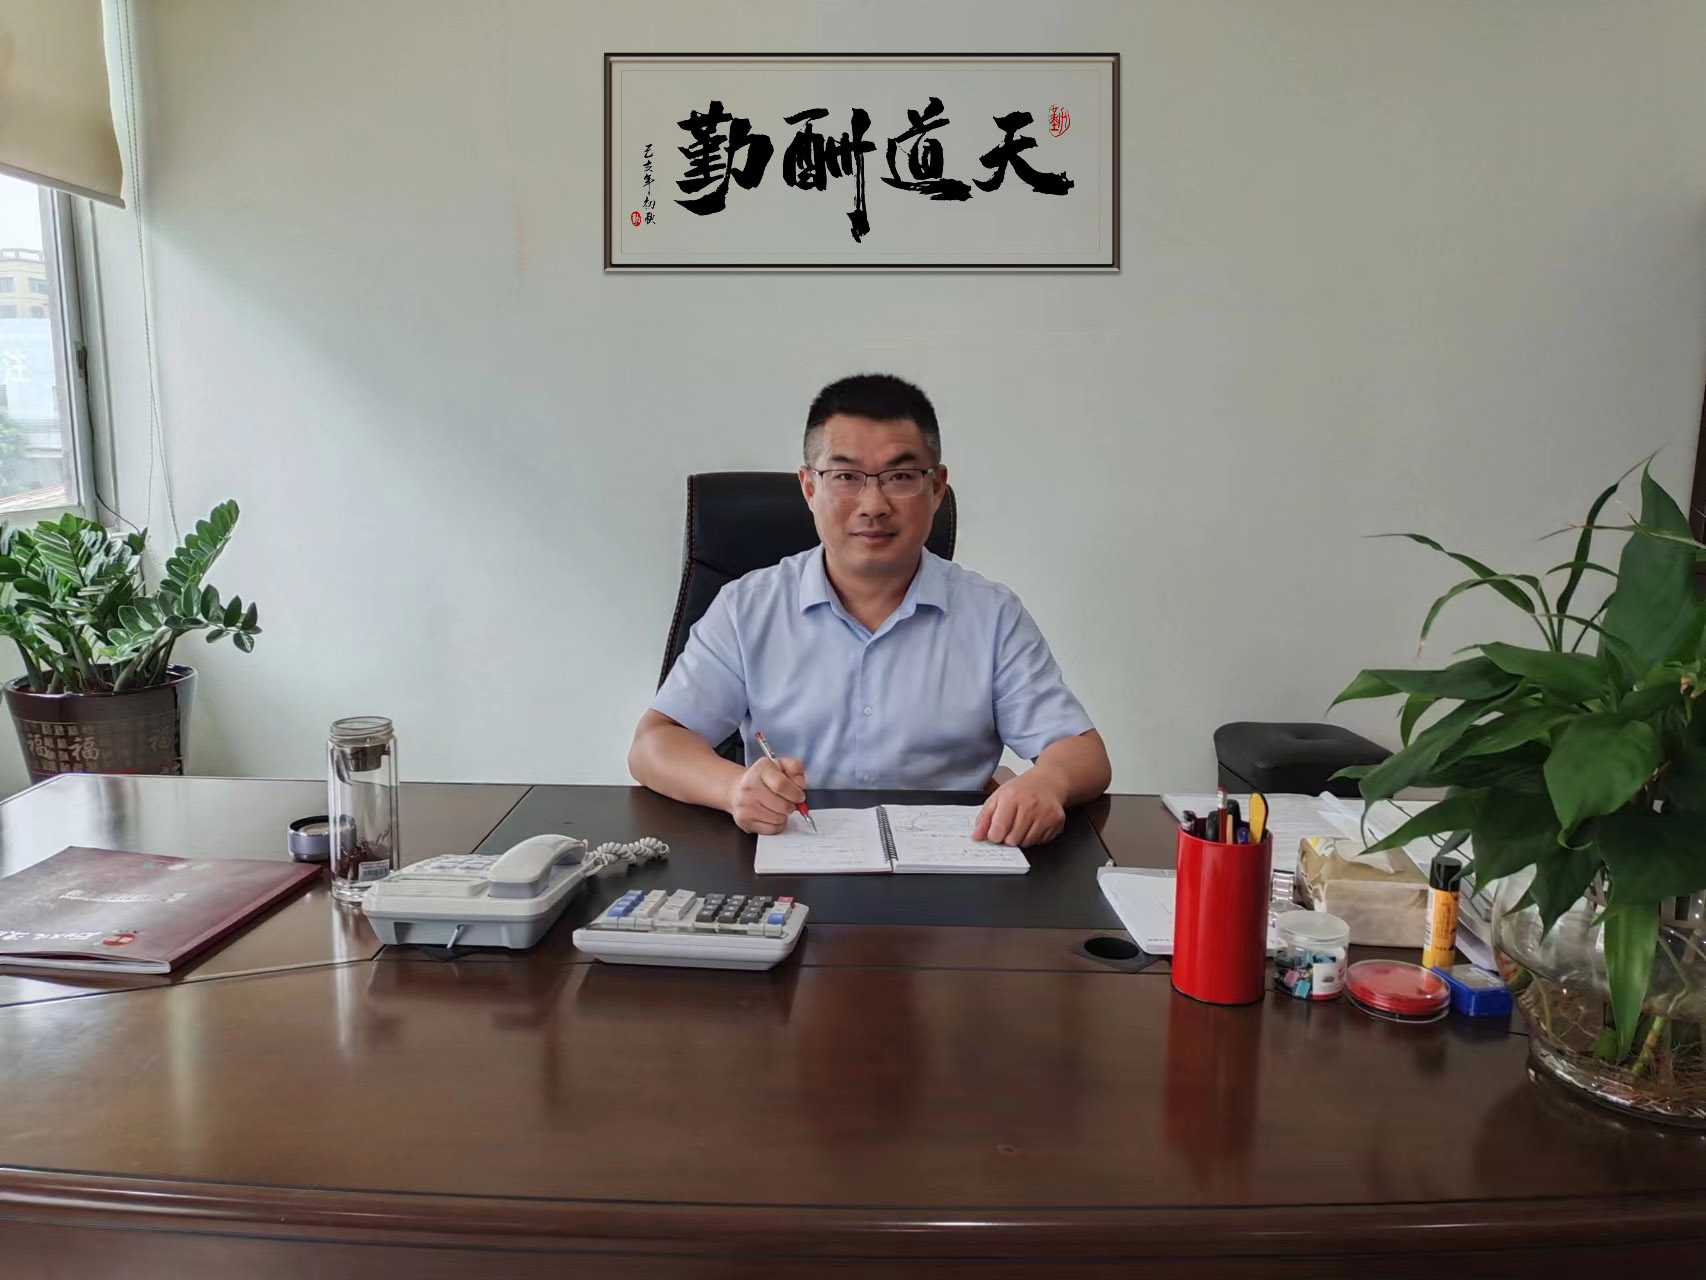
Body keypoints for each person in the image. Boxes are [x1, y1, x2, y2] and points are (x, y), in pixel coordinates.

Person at [628, 373, 1110, 846]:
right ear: (809, 488)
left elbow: (1081, 751)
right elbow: (655, 744)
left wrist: (1047, 783)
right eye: (846, 477)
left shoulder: (992, 615)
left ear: (936, 488)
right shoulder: (747, 608)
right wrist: (734, 788)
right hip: (792, 864)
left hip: (950, 867)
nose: (873, 505)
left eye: (900, 477)